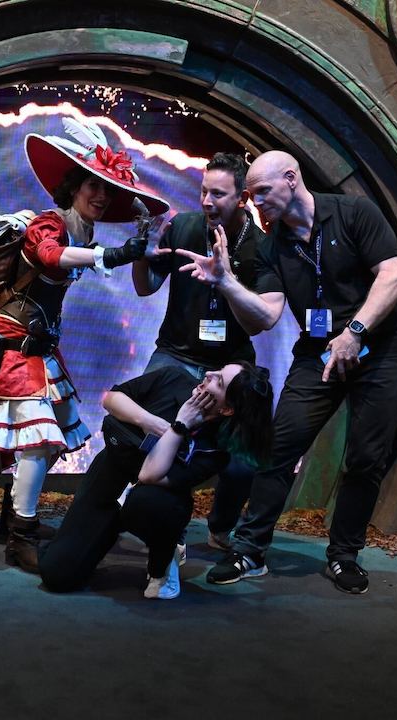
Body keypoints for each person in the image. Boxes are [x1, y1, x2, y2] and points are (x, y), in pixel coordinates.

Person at [176, 150, 397, 594]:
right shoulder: (270, 248)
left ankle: (344, 556)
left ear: (291, 179)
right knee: (278, 447)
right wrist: (226, 283)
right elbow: (263, 317)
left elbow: (394, 276)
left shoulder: (353, 213)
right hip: (318, 354)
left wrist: (356, 331)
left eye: (263, 191)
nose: (256, 201)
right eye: (251, 195)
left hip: (379, 351)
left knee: (365, 458)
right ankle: (249, 550)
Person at [0, 117, 169, 573]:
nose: (101, 195)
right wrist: (110, 255)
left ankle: (14, 518)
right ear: (73, 185)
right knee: (38, 441)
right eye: (94, 185)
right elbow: (51, 256)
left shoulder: (83, 231)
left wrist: (121, 249)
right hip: (13, 346)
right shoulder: (48, 224)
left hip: (38, 348)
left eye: (108, 190)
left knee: (46, 442)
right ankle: (21, 536)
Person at [39, 362, 273, 598]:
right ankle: (84, 539)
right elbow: (111, 399)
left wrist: (180, 426)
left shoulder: (216, 450)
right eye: (217, 371)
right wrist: (149, 421)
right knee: (58, 575)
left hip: (152, 496)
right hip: (113, 471)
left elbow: (148, 475)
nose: (209, 374)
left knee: (147, 503)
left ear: (227, 410)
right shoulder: (174, 377)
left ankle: (162, 562)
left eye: (219, 381)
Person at [131, 152, 266, 551]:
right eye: (204, 191)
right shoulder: (185, 227)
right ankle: (147, 519)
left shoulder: (259, 246)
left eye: (219, 195)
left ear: (242, 198)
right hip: (175, 352)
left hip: (231, 365)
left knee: (244, 461)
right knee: (144, 437)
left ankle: (220, 525)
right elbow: (145, 286)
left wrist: (225, 279)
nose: (207, 201)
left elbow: (259, 317)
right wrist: (142, 253)